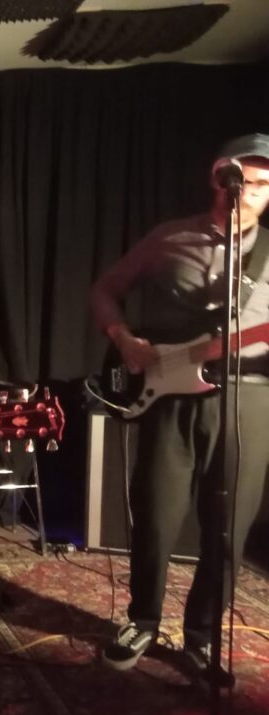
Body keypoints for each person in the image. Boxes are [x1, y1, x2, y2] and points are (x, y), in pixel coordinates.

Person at [91, 134, 269, 681]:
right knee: (155, 516)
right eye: (243, 179)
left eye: (263, 184)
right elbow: (105, 289)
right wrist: (123, 339)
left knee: (228, 529)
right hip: (168, 397)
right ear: (219, 176)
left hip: (249, 397)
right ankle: (142, 619)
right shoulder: (169, 237)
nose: (251, 191)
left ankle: (201, 637)